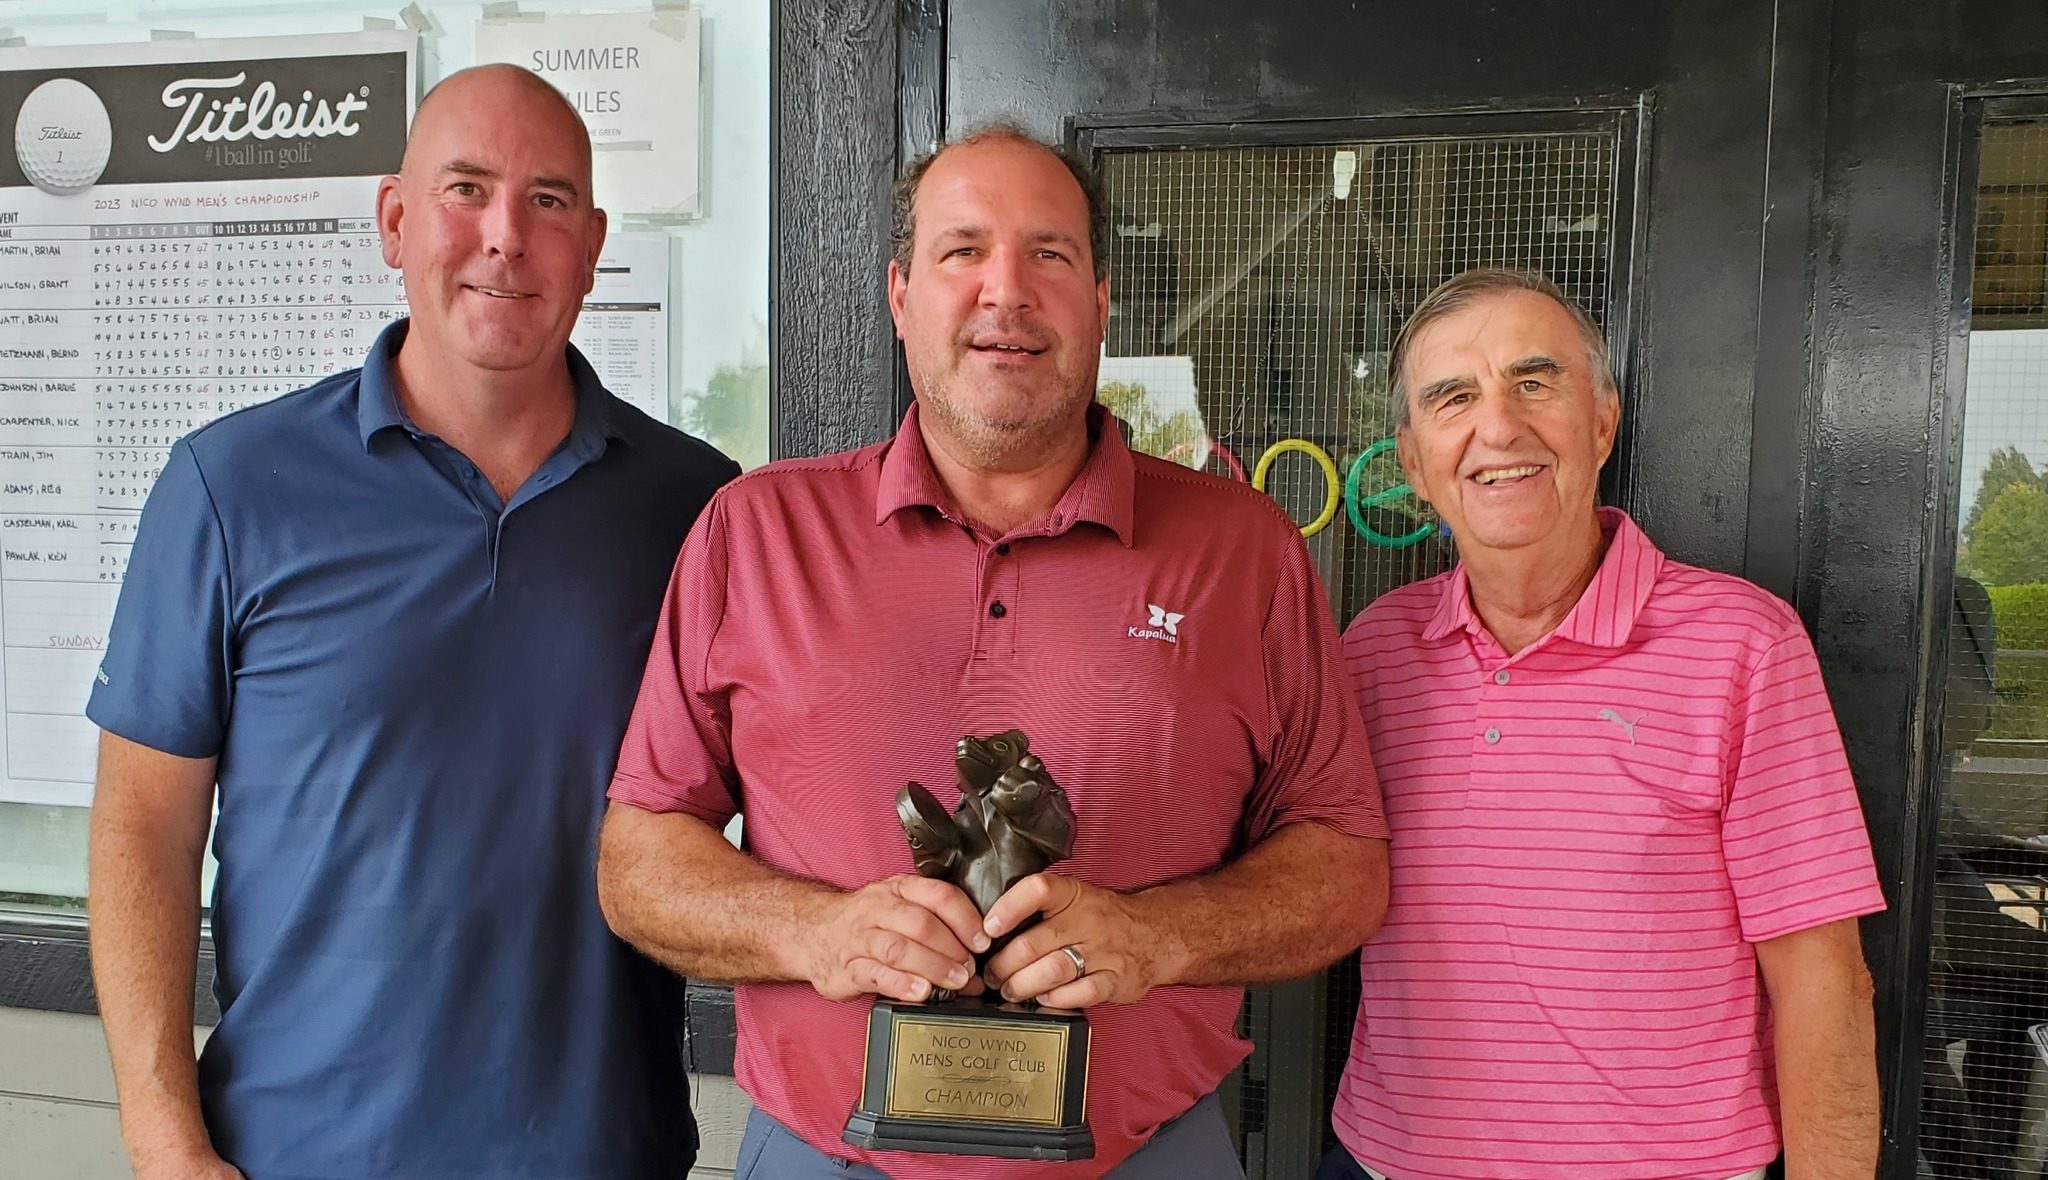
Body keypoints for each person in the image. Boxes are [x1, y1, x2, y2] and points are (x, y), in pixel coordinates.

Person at [595, 124, 1391, 1179]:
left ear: (1101, 301)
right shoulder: (754, 533)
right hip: (824, 1153)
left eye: (1048, 254)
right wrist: (815, 934)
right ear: (899, 294)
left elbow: (1342, 866)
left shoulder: (1242, 549)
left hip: (1149, 1154)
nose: (1004, 291)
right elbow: (638, 857)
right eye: (961, 250)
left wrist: (1160, 938)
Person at [86, 65, 735, 1180]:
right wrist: (161, 1139)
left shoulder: (698, 509)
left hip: (599, 1154)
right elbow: (143, 824)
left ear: (591, 242)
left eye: (547, 201)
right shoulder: (230, 487)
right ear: (394, 220)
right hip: (294, 1153)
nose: (504, 237)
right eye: (465, 190)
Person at [1327, 268, 1886, 1180]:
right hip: (1391, 1164)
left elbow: (1825, 981)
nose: (1498, 426)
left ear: (1601, 423)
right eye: (1454, 398)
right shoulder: (1374, 654)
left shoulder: (1742, 645)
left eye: (1534, 383)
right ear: (1416, 462)